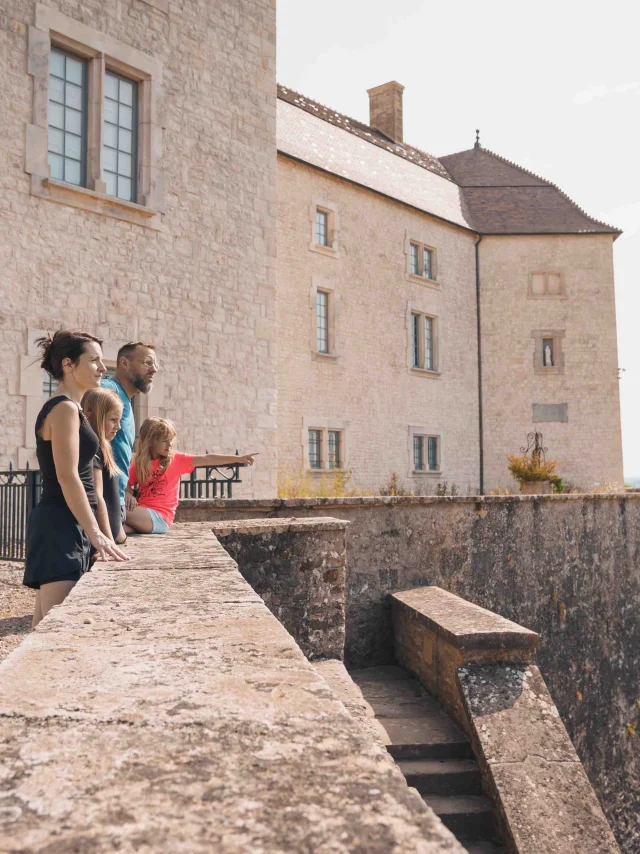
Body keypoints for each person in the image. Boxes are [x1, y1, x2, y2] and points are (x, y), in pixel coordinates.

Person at [23, 331, 129, 628]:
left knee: (43, 629)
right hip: (60, 525)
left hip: (66, 523)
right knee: (58, 632)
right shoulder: (64, 408)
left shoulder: (74, 409)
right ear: (69, 365)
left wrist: (92, 532)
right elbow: (68, 476)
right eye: (94, 360)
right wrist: (96, 533)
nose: (102, 367)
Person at [125, 417, 257, 534]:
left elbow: (207, 459)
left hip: (160, 517)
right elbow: (124, 484)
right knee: (116, 528)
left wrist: (238, 459)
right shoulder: (139, 463)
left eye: (171, 440)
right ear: (151, 441)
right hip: (142, 514)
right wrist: (128, 494)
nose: (170, 445)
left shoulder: (176, 460)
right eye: (165, 441)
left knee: (114, 509)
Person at [100, 342, 157, 541]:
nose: (154, 369)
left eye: (155, 364)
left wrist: (125, 489)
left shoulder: (126, 400)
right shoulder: (109, 389)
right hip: (104, 496)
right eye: (147, 362)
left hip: (116, 495)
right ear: (124, 363)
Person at [82, 387, 125, 544]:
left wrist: (119, 533)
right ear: (91, 417)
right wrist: (109, 541)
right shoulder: (93, 449)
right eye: (113, 420)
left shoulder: (105, 446)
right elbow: (97, 495)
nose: (118, 427)